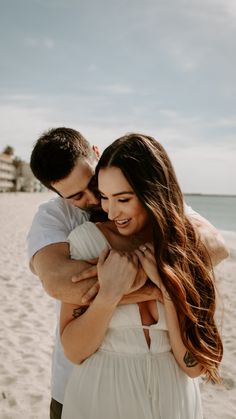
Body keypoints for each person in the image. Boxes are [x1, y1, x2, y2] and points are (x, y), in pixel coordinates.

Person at [27, 127, 228, 419]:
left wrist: (166, 278)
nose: (99, 204)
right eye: (76, 196)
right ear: (58, 194)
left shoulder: (174, 230)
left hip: (171, 398)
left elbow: (216, 247)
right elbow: (59, 281)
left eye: (95, 185)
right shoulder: (61, 221)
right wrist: (138, 287)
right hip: (83, 384)